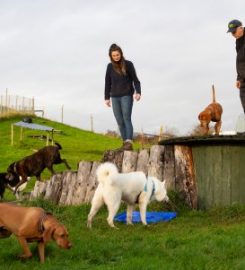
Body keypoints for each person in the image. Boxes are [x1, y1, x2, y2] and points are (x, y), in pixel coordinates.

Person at [104, 43, 141, 150]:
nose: (116, 57)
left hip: (127, 95)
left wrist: (138, 92)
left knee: (126, 118)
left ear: (121, 53)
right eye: (114, 56)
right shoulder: (109, 67)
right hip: (114, 97)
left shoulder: (128, 64)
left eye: (117, 55)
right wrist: (106, 98)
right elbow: (107, 83)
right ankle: (125, 143)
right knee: (119, 121)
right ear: (111, 56)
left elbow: (136, 80)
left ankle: (129, 142)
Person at [227, 19, 245, 112]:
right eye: (231, 32)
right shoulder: (238, 42)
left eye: (234, 31)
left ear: (241, 28)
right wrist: (239, 78)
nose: (233, 34)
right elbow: (240, 61)